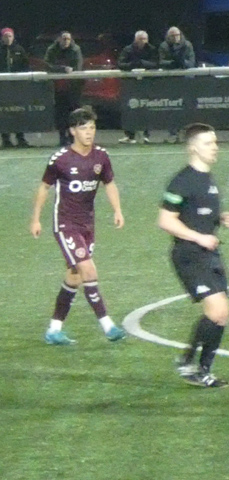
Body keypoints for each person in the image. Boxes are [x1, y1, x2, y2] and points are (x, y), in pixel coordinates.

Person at [29, 106, 126, 345]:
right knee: (88, 270)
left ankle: (54, 330)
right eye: (84, 128)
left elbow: (109, 183)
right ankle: (108, 326)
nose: (89, 132)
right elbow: (44, 187)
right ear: (73, 131)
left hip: (87, 225)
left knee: (74, 277)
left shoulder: (101, 156)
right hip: (65, 224)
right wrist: (36, 218)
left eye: (92, 127)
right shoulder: (60, 159)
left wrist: (117, 210)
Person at [158, 123, 229, 388]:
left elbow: (197, 213)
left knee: (222, 314)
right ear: (193, 147)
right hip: (190, 255)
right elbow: (166, 220)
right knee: (217, 310)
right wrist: (199, 237)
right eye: (208, 143)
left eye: (215, 142)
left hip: (209, 254)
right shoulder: (182, 181)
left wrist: (220, 218)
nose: (215, 148)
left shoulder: (208, 178)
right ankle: (194, 365)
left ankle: (195, 365)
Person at [117, 30, 158, 144]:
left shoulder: (152, 49)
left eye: (144, 39)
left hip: (147, 83)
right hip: (131, 84)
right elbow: (120, 64)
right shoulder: (127, 50)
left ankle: (146, 135)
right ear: (135, 40)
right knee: (129, 109)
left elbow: (156, 63)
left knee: (146, 108)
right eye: (140, 39)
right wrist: (132, 65)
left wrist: (142, 63)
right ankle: (130, 136)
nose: (143, 41)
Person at [44, 31, 84, 147]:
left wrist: (71, 70)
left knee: (74, 113)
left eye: (68, 39)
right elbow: (47, 65)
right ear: (59, 39)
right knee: (60, 113)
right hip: (57, 88)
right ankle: (62, 137)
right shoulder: (52, 49)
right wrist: (62, 69)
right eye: (64, 39)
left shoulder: (75, 49)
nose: (66, 41)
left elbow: (78, 66)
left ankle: (73, 137)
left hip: (73, 88)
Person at [158, 27, 195, 143]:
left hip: (185, 80)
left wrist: (183, 62)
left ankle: (186, 132)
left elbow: (192, 62)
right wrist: (173, 63)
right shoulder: (164, 46)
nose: (175, 38)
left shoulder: (187, 45)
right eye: (172, 36)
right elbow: (161, 61)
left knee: (186, 106)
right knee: (172, 106)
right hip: (171, 81)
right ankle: (173, 133)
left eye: (177, 35)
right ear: (168, 36)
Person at [0, 27, 31, 148]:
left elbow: (26, 66)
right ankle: (6, 139)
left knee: (19, 111)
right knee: (4, 112)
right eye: (5, 36)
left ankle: (20, 138)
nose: (8, 39)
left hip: (17, 87)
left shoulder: (19, 50)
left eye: (10, 36)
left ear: (13, 37)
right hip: (2, 87)